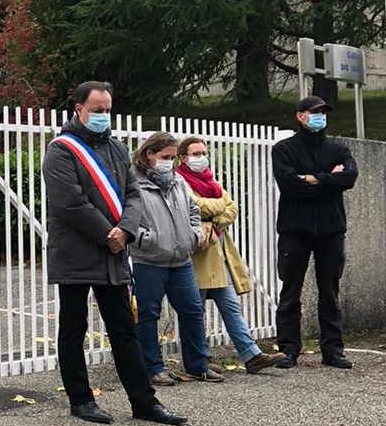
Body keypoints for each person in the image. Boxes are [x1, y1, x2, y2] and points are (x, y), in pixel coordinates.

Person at [42, 81, 186, 426]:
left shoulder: (119, 150)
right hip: (77, 252)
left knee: (124, 329)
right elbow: (70, 203)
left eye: (107, 110)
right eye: (96, 110)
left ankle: (144, 402)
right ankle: (81, 400)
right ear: (78, 109)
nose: (103, 116)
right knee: (73, 328)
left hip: (114, 252)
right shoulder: (61, 150)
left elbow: (133, 194)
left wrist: (126, 230)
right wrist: (109, 233)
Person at [176, 137, 284, 373]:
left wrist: (215, 216)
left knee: (231, 305)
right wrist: (217, 210)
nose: (201, 157)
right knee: (195, 310)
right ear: (183, 157)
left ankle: (251, 355)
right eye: (195, 153)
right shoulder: (180, 181)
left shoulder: (211, 181)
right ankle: (198, 359)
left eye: (204, 152)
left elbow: (232, 207)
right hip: (198, 254)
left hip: (218, 253)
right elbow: (196, 206)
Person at [271, 96, 358, 369]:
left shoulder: (338, 148)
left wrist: (311, 177)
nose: (320, 116)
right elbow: (289, 185)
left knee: (330, 290)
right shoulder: (283, 149)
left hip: (330, 230)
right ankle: (288, 349)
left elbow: (349, 178)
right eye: (314, 112)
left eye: (323, 112)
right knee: (290, 290)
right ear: (300, 116)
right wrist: (329, 178)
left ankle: (333, 350)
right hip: (294, 229)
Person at [130, 132, 223, 386]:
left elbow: (193, 210)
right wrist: (145, 239)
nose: (169, 162)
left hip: (181, 258)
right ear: (149, 155)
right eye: (165, 157)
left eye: (172, 157)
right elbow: (126, 217)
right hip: (148, 260)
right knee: (148, 314)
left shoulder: (177, 181)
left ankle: (198, 364)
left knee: (192, 310)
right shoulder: (134, 183)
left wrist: (192, 235)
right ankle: (152, 367)